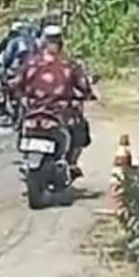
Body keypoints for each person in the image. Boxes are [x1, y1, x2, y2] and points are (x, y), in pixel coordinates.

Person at [12, 24, 97, 176]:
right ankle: (71, 164)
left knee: (20, 124)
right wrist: (89, 94)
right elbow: (84, 87)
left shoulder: (31, 63)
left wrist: (22, 97)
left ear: (43, 42)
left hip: (33, 113)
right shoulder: (69, 64)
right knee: (80, 128)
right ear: (61, 43)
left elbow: (16, 84)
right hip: (59, 113)